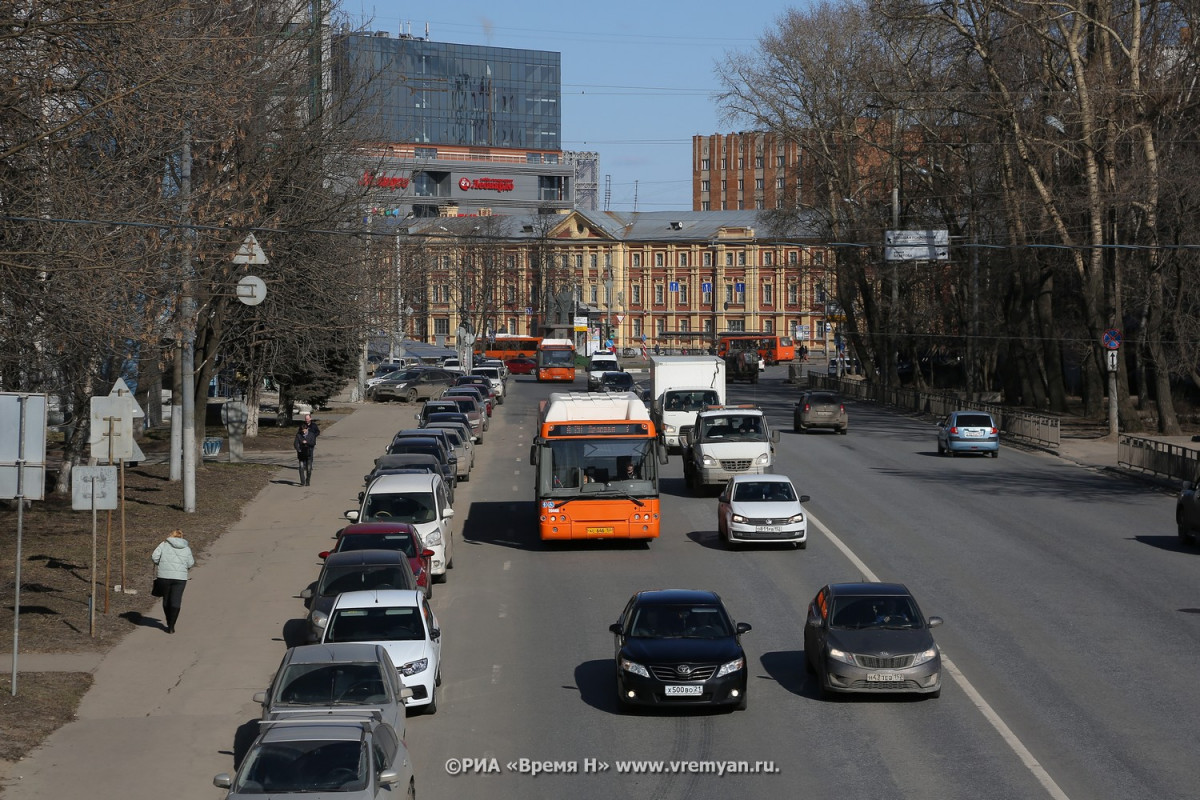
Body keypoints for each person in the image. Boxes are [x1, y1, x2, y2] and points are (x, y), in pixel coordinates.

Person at [151, 529, 195, 634]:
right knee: (176, 600)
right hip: (180, 578)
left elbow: (154, 557)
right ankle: (172, 626)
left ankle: (168, 619)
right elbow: (190, 563)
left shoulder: (163, 544)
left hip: (164, 576)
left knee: (166, 599)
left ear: (170, 535)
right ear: (181, 537)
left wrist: (161, 564)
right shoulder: (186, 548)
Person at [294, 416, 319, 486]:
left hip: (309, 453)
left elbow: (313, 443)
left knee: (309, 468)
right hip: (301, 454)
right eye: (302, 430)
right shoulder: (299, 435)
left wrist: (307, 442)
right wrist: (298, 449)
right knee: (301, 467)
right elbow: (295, 443)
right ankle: (302, 481)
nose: (303, 431)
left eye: (304, 430)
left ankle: (308, 480)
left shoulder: (311, 435)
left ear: (307, 429)